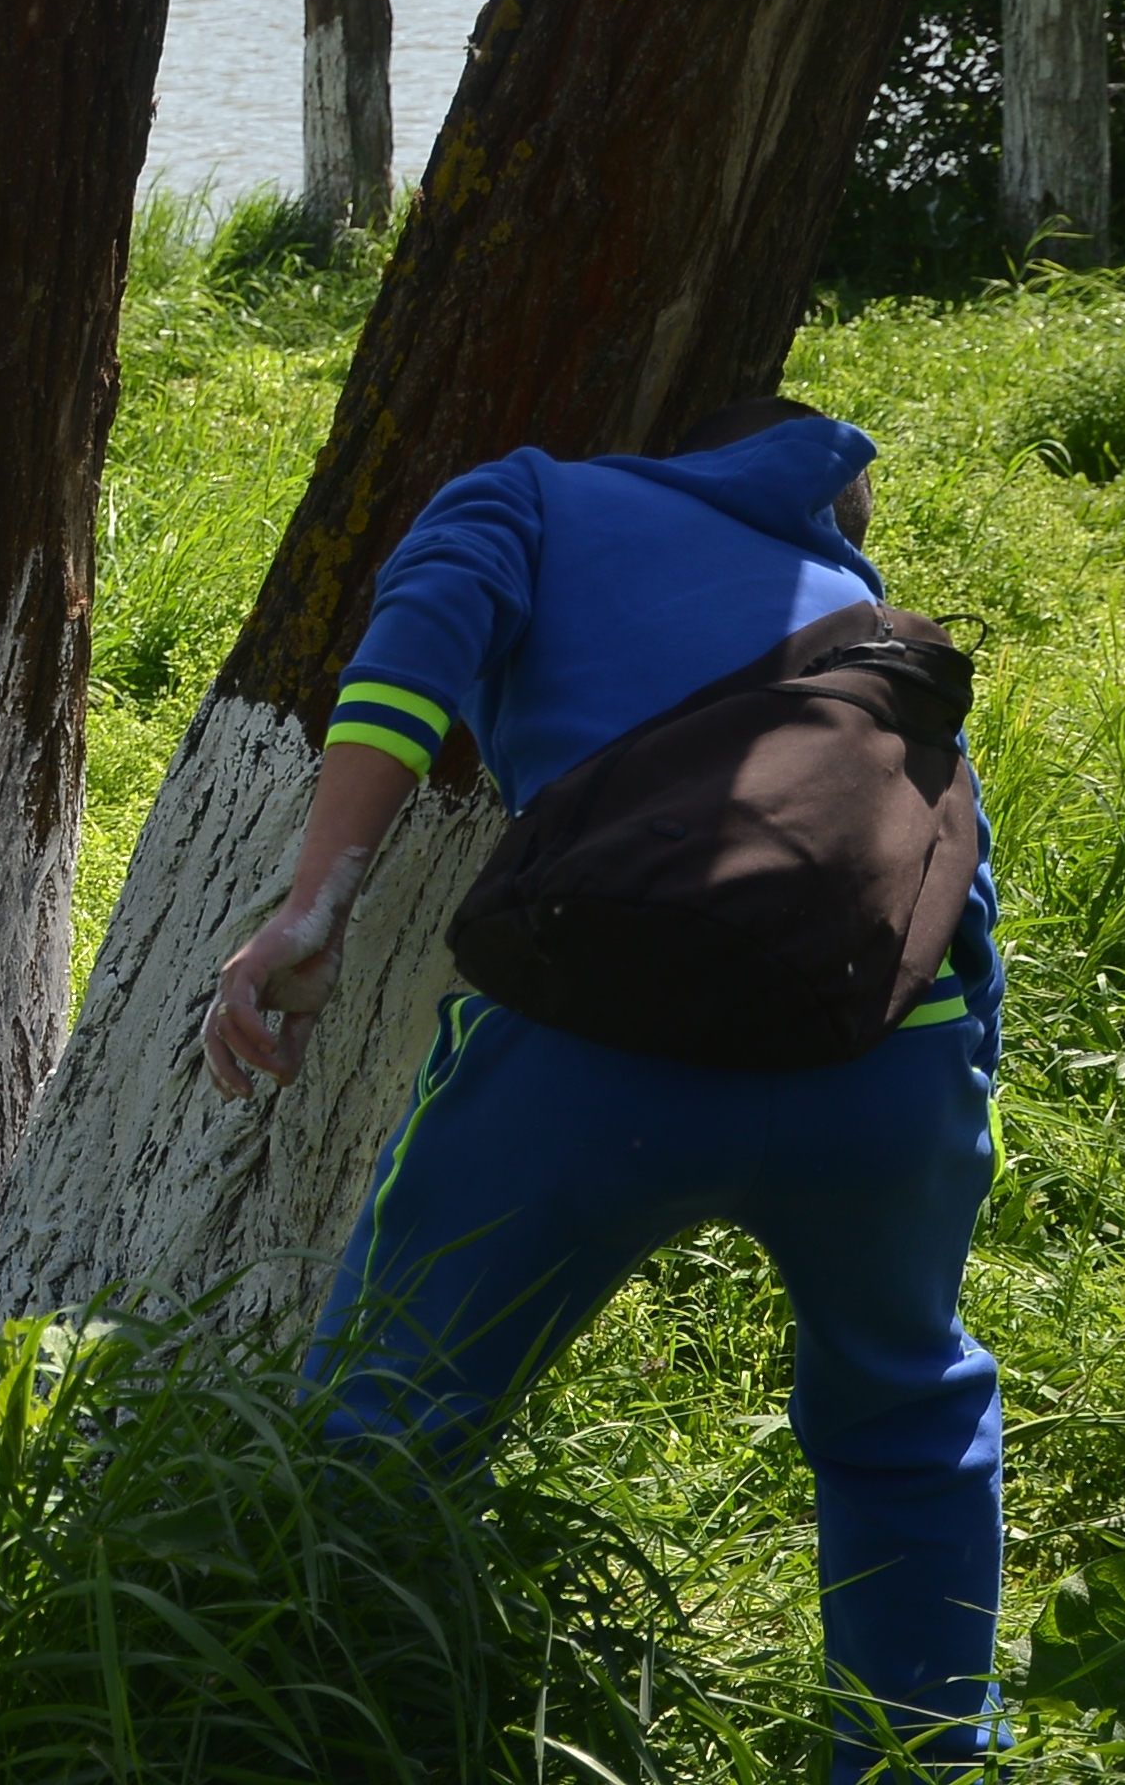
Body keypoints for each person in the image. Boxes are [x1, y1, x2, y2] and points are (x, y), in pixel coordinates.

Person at [207, 397, 1004, 1779]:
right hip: (889, 1061)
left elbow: (408, 668)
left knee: (384, 1422)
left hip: (599, 1054)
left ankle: (321, 1741)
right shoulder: (862, 619)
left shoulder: (525, 497)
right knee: (905, 1414)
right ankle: (923, 1760)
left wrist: (316, 903)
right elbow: (957, 897)